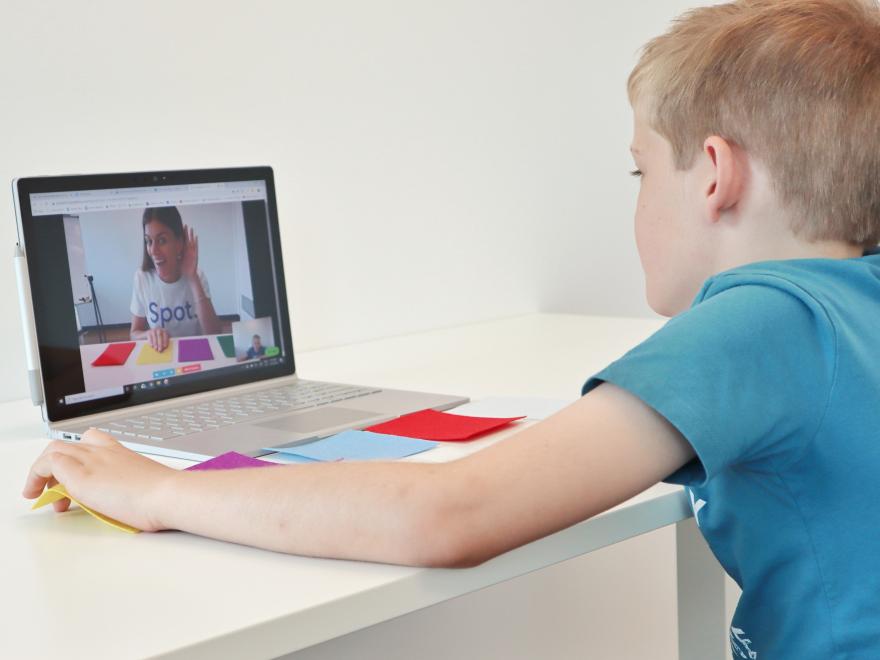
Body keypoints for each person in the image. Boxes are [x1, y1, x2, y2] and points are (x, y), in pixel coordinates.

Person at [22, 1, 880, 656]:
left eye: (638, 167)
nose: (635, 194)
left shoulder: (762, 321)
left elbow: (446, 515)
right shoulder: (853, 301)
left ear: (715, 177)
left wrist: (155, 490)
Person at [129, 206, 222, 352]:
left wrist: (192, 278)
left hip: (195, 354)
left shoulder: (197, 275)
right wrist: (148, 334)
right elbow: (134, 333)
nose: (153, 250)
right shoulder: (142, 278)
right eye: (149, 241)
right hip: (161, 356)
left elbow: (215, 333)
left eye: (162, 240)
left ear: (179, 243)